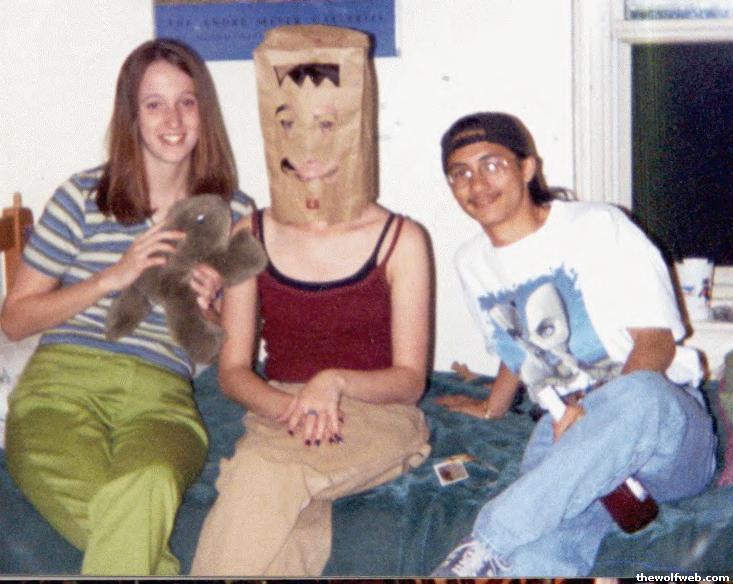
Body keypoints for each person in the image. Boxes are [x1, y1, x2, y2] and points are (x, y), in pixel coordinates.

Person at [0, 38, 254, 575]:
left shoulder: (235, 214)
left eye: (187, 102)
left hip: (163, 398)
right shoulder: (83, 196)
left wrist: (208, 309)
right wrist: (112, 277)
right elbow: (15, 319)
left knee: (150, 482)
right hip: (60, 390)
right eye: (154, 103)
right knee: (131, 515)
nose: (173, 120)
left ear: (204, 111)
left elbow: (237, 351)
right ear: (131, 116)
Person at [190, 25, 432, 576]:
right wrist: (292, 409)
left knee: (262, 474)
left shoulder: (402, 240)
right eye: (290, 125)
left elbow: (410, 380)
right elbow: (233, 370)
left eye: (327, 125)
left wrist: (334, 383)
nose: (309, 149)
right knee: (286, 522)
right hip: (281, 411)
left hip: (377, 413)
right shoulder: (250, 234)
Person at [432, 112, 717, 577]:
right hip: (571, 434)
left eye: (492, 164)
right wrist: (491, 407)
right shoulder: (471, 262)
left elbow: (657, 344)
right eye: (459, 173)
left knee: (642, 394)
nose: (476, 183)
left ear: (527, 168)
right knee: (539, 549)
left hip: (662, 434)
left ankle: (484, 543)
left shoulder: (597, 226)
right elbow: (516, 347)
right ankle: (504, 557)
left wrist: (593, 415)